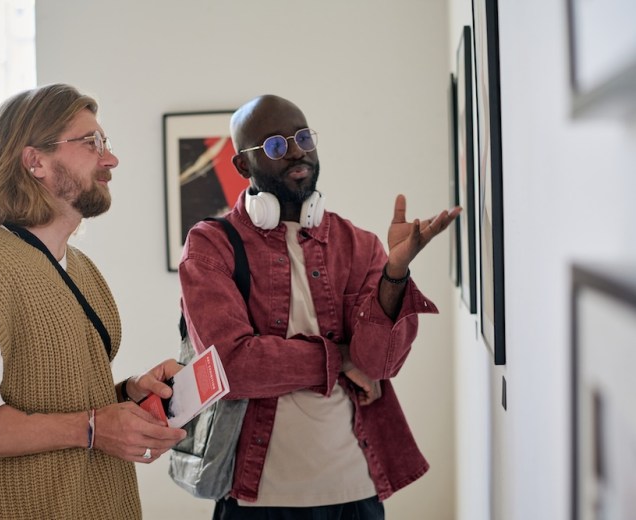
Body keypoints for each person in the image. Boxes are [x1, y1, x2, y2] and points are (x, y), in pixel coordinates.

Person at [178, 94, 462, 519]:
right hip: (259, 501)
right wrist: (340, 357)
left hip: (356, 492)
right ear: (242, 166)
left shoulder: (359, 244)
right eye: (276, 145)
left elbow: (380, 361)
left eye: (303, 138)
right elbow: (233, 368)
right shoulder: (210, 245)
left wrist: (396, 273)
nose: (296, 151)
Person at [0, 83, 186, 520]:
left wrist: (130, 396)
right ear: (35, 161)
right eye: (91, 143)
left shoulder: (78, 266)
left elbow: (61, 404)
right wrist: (93, 428)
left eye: (106, 143)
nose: (110, 159)